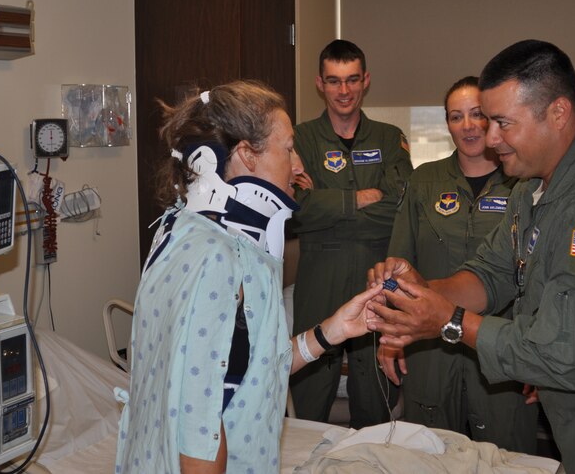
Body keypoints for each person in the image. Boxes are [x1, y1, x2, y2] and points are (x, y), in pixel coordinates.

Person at [367, 40, 575, 474]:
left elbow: (562, 355)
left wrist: (449, 320)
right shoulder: (533, 185)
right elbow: (492, 272)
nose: (490, 138)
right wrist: (422, 293)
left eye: (502, 123)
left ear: (557, 114)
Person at [114, 80, 385, 474]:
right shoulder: (219, 257)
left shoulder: (178, 231)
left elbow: (252, 374)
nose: (299, 166)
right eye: (289, 149)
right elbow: (201, 423)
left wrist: (332, 332)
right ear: (246, 154)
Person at [383, 76, 538, 451]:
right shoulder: (424, 182)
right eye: (456, 117)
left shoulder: (524, 185)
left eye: (477, 115)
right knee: (430, 452)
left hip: (502, 345)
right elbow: (396, 268)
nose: (468, 126)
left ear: (493, 120)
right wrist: (392, 335)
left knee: (506, 454)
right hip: (430, 347)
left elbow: (541, 275)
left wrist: (539, 355)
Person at [290, 39, 413, 428]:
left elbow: (400, 208)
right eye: (334, 81)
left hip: (376, 274)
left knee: (374, 392)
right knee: (309, 389)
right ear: (319, 84)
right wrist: (360, 197)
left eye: (352, 80)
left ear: (366, 82)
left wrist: (324, 203)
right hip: (319, 274)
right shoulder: (300, 139)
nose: (343, 91)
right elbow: (296, 212)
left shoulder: (389, 139)